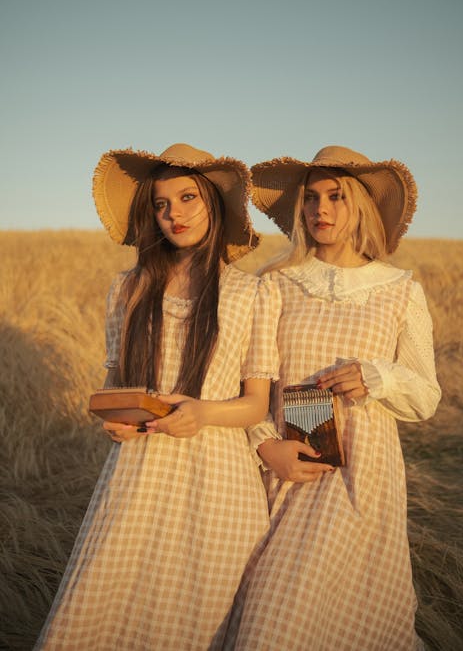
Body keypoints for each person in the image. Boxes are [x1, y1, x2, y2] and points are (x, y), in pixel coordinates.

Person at [35, 143, 278, 651]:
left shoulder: (251, 293)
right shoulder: (128, 289)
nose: (175, 214)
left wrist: (202, 412)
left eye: (188, 198)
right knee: (101, 605)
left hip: (219, 479)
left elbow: (257, 403)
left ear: (213, 204)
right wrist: (115, 419)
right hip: (137, 471)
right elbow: (113, 386)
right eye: (162, 204)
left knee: (196, 619)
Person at [228, 145, 441, 651]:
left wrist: (377, 376)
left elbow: (426, 396)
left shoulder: (400, 290)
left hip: (363, 477)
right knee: (269, 624)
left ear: (361, 206)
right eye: (312, 198)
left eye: (337, 197)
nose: (321, 209)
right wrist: (264, 446)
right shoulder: (274, 286)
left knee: (347, 622)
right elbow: (245, 385)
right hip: (288, 473)